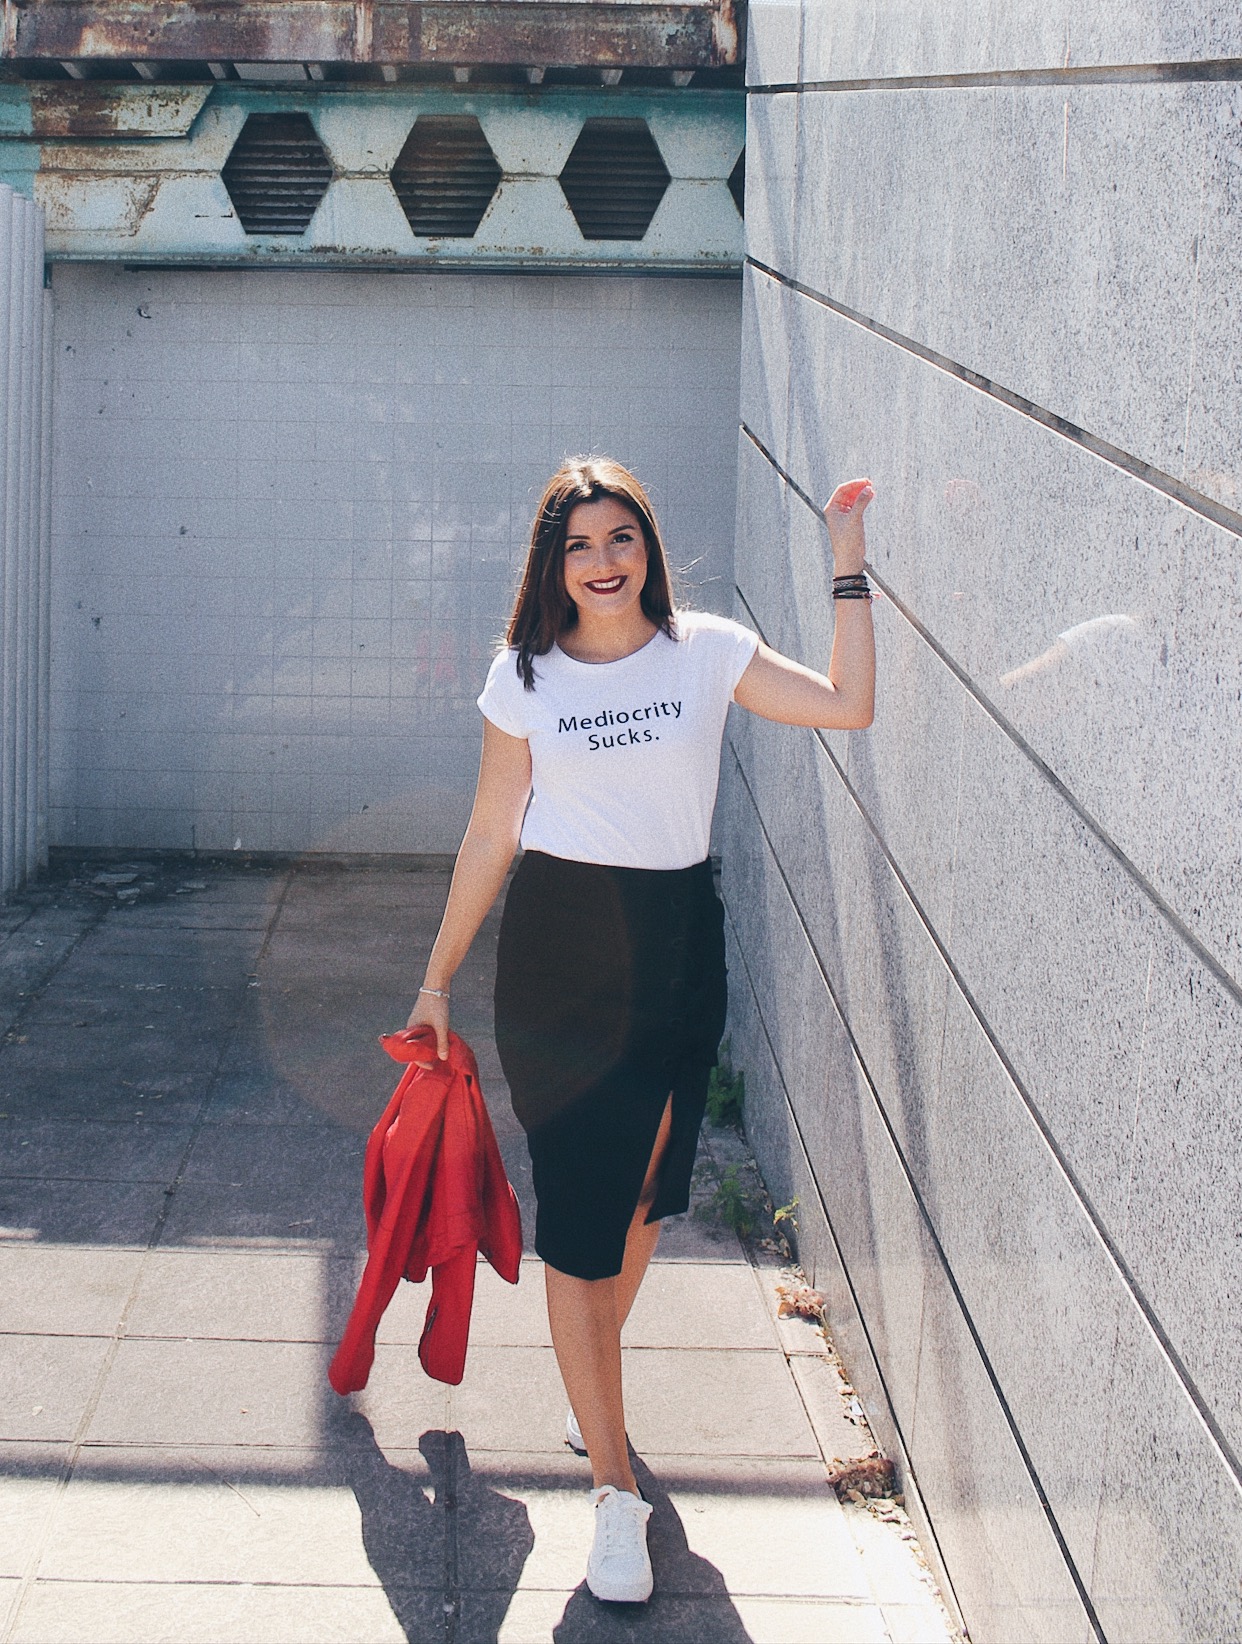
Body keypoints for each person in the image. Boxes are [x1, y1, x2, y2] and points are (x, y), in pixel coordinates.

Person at [405, 455, 875, 1604]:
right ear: (552, 565)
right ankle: (614, 1497)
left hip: (676, 948)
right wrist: (435, 982)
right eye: (580, 545)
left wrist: (848, 567)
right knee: (580, 1218)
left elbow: (846, 705)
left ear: (649, 547)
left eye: (621, 537)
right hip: (561, 955)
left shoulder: (704, 650)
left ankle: (592, 1383)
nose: (603, 561)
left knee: (648, 1196)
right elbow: (490, 834)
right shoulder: (524, 677)